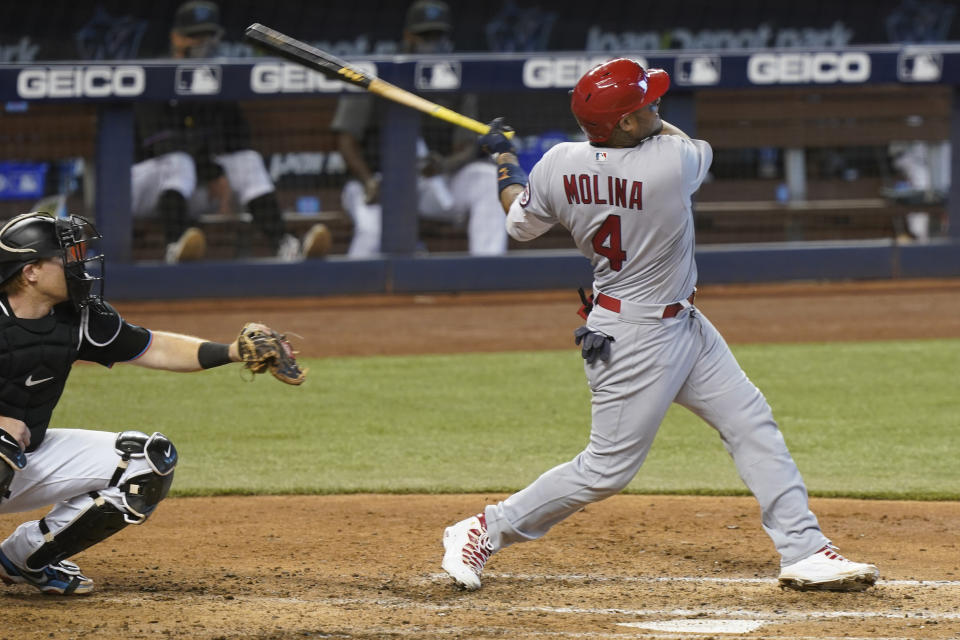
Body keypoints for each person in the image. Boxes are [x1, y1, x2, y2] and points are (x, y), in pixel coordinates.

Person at [440, 58, 879, 593]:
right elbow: (675, 137)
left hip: (678, 324)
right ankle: (484, 527)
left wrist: (506, 158)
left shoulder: (556, 163)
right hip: (636, 339)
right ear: (624, 124)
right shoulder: (670, 162)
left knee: (750, 420)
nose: (657, 105)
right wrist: (637, 119)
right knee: (606, 470)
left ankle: (804, 549)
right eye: (645, 102)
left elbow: (517, 222)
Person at [0, 211, 296, 595]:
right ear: (31, 271)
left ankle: (24, 558)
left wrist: (233, 351)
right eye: (67, 258)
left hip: (24, 461)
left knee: (144, 462)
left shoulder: (79, 320)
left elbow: (153, 347)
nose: (80, 266)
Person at [131, 0, 331, 263]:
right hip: (138, 187)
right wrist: (213, 172)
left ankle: (285, 244)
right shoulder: (154, 76)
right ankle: (174, 245)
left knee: (247, 161)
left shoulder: (218, 80)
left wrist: (221, 175)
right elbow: (163, 145)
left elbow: (238, 138)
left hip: (190, 189)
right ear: (176, 38)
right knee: (178, 162)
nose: (204, 43)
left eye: (209, 35)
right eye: (195, 36)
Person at [330, 0, 507, 257]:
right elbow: (346, 141)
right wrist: (369, 181)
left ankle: (487, 270)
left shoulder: (456, 77)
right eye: (425, 36)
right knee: (371, 232)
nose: (431, 44)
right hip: (378, 183)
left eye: (437, 36)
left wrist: (445, 164)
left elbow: (466, 146)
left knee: (487, 180)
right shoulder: (375, 74)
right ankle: (353, 292)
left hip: (431, 182)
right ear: (408, 36)